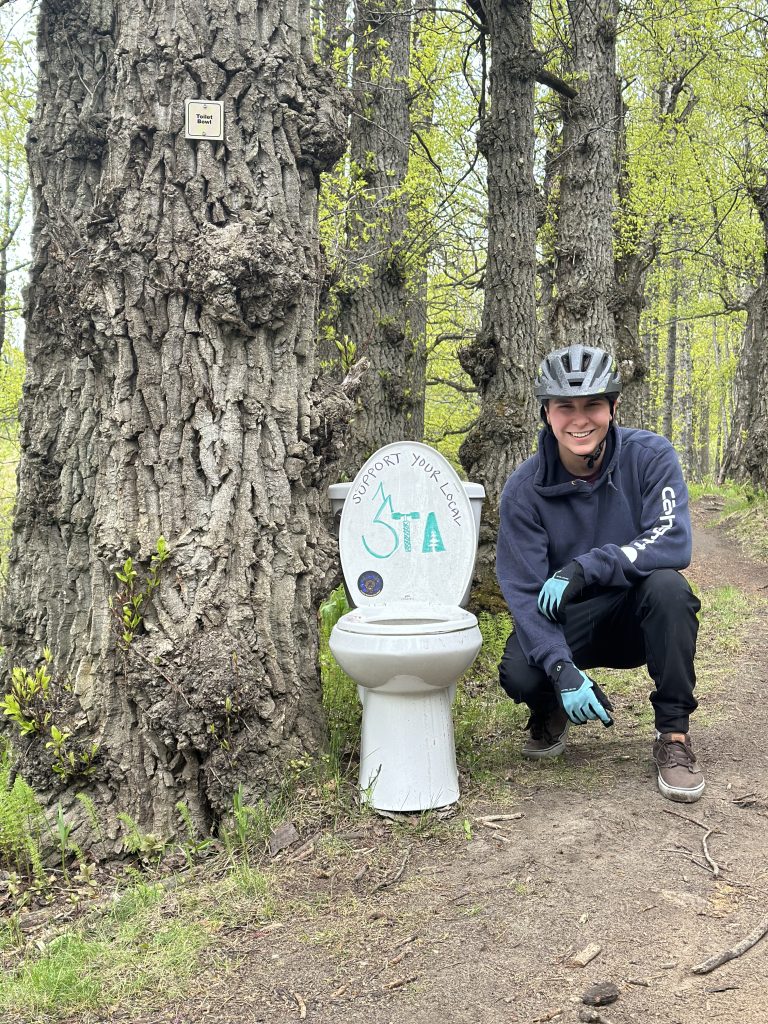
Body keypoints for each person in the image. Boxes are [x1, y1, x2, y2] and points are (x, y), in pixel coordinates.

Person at [496, 343, 704, 803]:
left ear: (613, 407)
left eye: (592, 404)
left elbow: (673, 541)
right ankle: (552, 706)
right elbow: (523, 591)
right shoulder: (522, 491)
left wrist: (586, 567)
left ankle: (673, 736)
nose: (579, 420)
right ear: (546, 413)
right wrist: (560, 666)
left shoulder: (651, 457)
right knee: (519, 671)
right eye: (564, 407)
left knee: (669, 587)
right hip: (566, 621)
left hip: (635, 610)